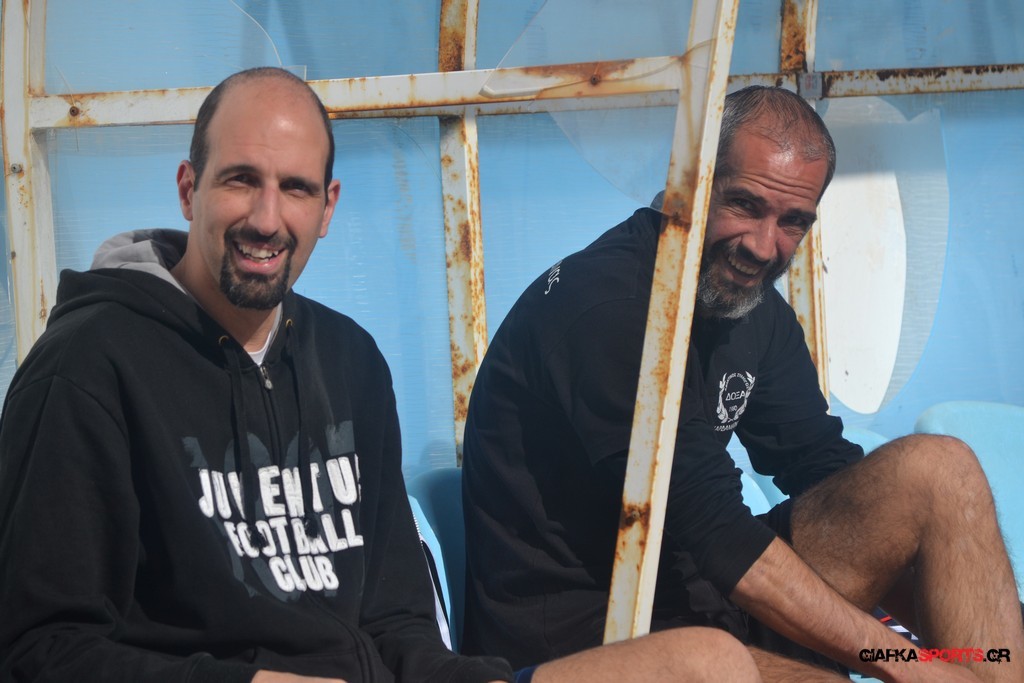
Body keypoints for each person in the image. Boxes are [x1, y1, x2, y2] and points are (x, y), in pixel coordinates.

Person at [461, 85, 1024, 682]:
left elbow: (824, 471)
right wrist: (912, 665)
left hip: (700, 600)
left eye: (793, 222)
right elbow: (717, 533)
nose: (763, 246)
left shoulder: (753, 308)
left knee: (940, 470)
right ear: (690, 182)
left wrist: (960, 652)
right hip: (588, 639)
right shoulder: (608, 310)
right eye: (745, 205)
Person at [0, 67, 517, 683]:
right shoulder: (85, 368)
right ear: (188, 189)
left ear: (327, 207)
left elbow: (396, 620)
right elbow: (38, 649)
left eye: (296, 188)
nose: (267, 220)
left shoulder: (352, 361)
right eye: (241, 179)